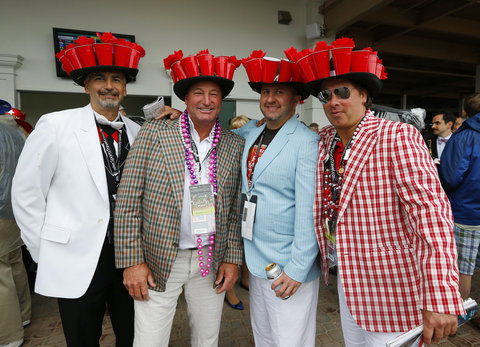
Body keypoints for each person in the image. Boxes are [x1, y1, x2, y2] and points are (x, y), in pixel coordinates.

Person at [301, 38, 464, 346]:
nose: (333, 101)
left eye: (343, 92)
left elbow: (432, 216)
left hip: (393, 289)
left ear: (364, 95)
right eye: (326, 94)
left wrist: (440, 294)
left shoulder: (397, 136)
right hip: (348, 284)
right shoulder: (324, 141)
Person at [11, 32, 145, 347]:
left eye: (116, 78)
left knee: (133, 335)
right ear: (86, 85)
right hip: (74, 255)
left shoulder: (140, 132)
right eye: (100, 78)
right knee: (82, 338)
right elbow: (26, 193)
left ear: (125, 88)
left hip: (129, 255)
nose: (109, 85)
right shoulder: (56, 125)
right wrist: (44, 253)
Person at [114, 50, 244, 347]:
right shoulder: (155, 133)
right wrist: (132, 261)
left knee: (207, 339)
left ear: (221, 100)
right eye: (198, 93)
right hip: (159, 259)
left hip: (209, 260)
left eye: (214, 94)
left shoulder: (234, 143)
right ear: (185, 99)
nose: (207, 100)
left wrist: (232, 259)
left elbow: (235, 209)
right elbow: (128, 201)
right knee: (149, 340)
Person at [233, 53, 320, 347]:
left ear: (297, 99)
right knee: (265, 337)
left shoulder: (307, 142)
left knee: (289, 340)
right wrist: (178, 117)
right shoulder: (252, 132)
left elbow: (311, 210)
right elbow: (215, 132)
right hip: (256, 259)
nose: (270, 98)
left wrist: (297, 269)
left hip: (288, 265)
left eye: (279, 92)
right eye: (266, 92)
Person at [439, 92, 480, 304]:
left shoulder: (465, 136)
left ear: (464, 112)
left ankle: (456, 315)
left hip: (465, 214)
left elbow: (451, 176)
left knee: (463, 269)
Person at [0, 101, 31, 347]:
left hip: (0, 210)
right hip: (17, 210)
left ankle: (9, 335)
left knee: (1, 272)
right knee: (14, 261)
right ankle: (24, 316)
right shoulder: (19, 131)